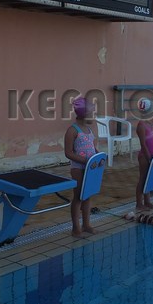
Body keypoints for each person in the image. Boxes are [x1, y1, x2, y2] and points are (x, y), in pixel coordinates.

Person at [64, 97, 98, 236]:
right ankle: (75, 227)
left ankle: (86, 224)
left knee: (87, 196)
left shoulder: (89, 130)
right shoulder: (72, 131)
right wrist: (85, 160)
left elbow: (93, 148)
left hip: (90, 168)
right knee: (78, 197)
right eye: (92, 113)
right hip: (78, 168)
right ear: (84, 114)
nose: (94, 116)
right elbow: (68, 153)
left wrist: (98, 157)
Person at [135, 98, 153, 211]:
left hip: (151, 155)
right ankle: (139, 203)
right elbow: (143, 144)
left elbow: (152, 140)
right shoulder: (141, 125)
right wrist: (148, 156)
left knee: (149, 179)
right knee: (142, 179)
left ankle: (147, 201)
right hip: (144, 156)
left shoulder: (149, 123)